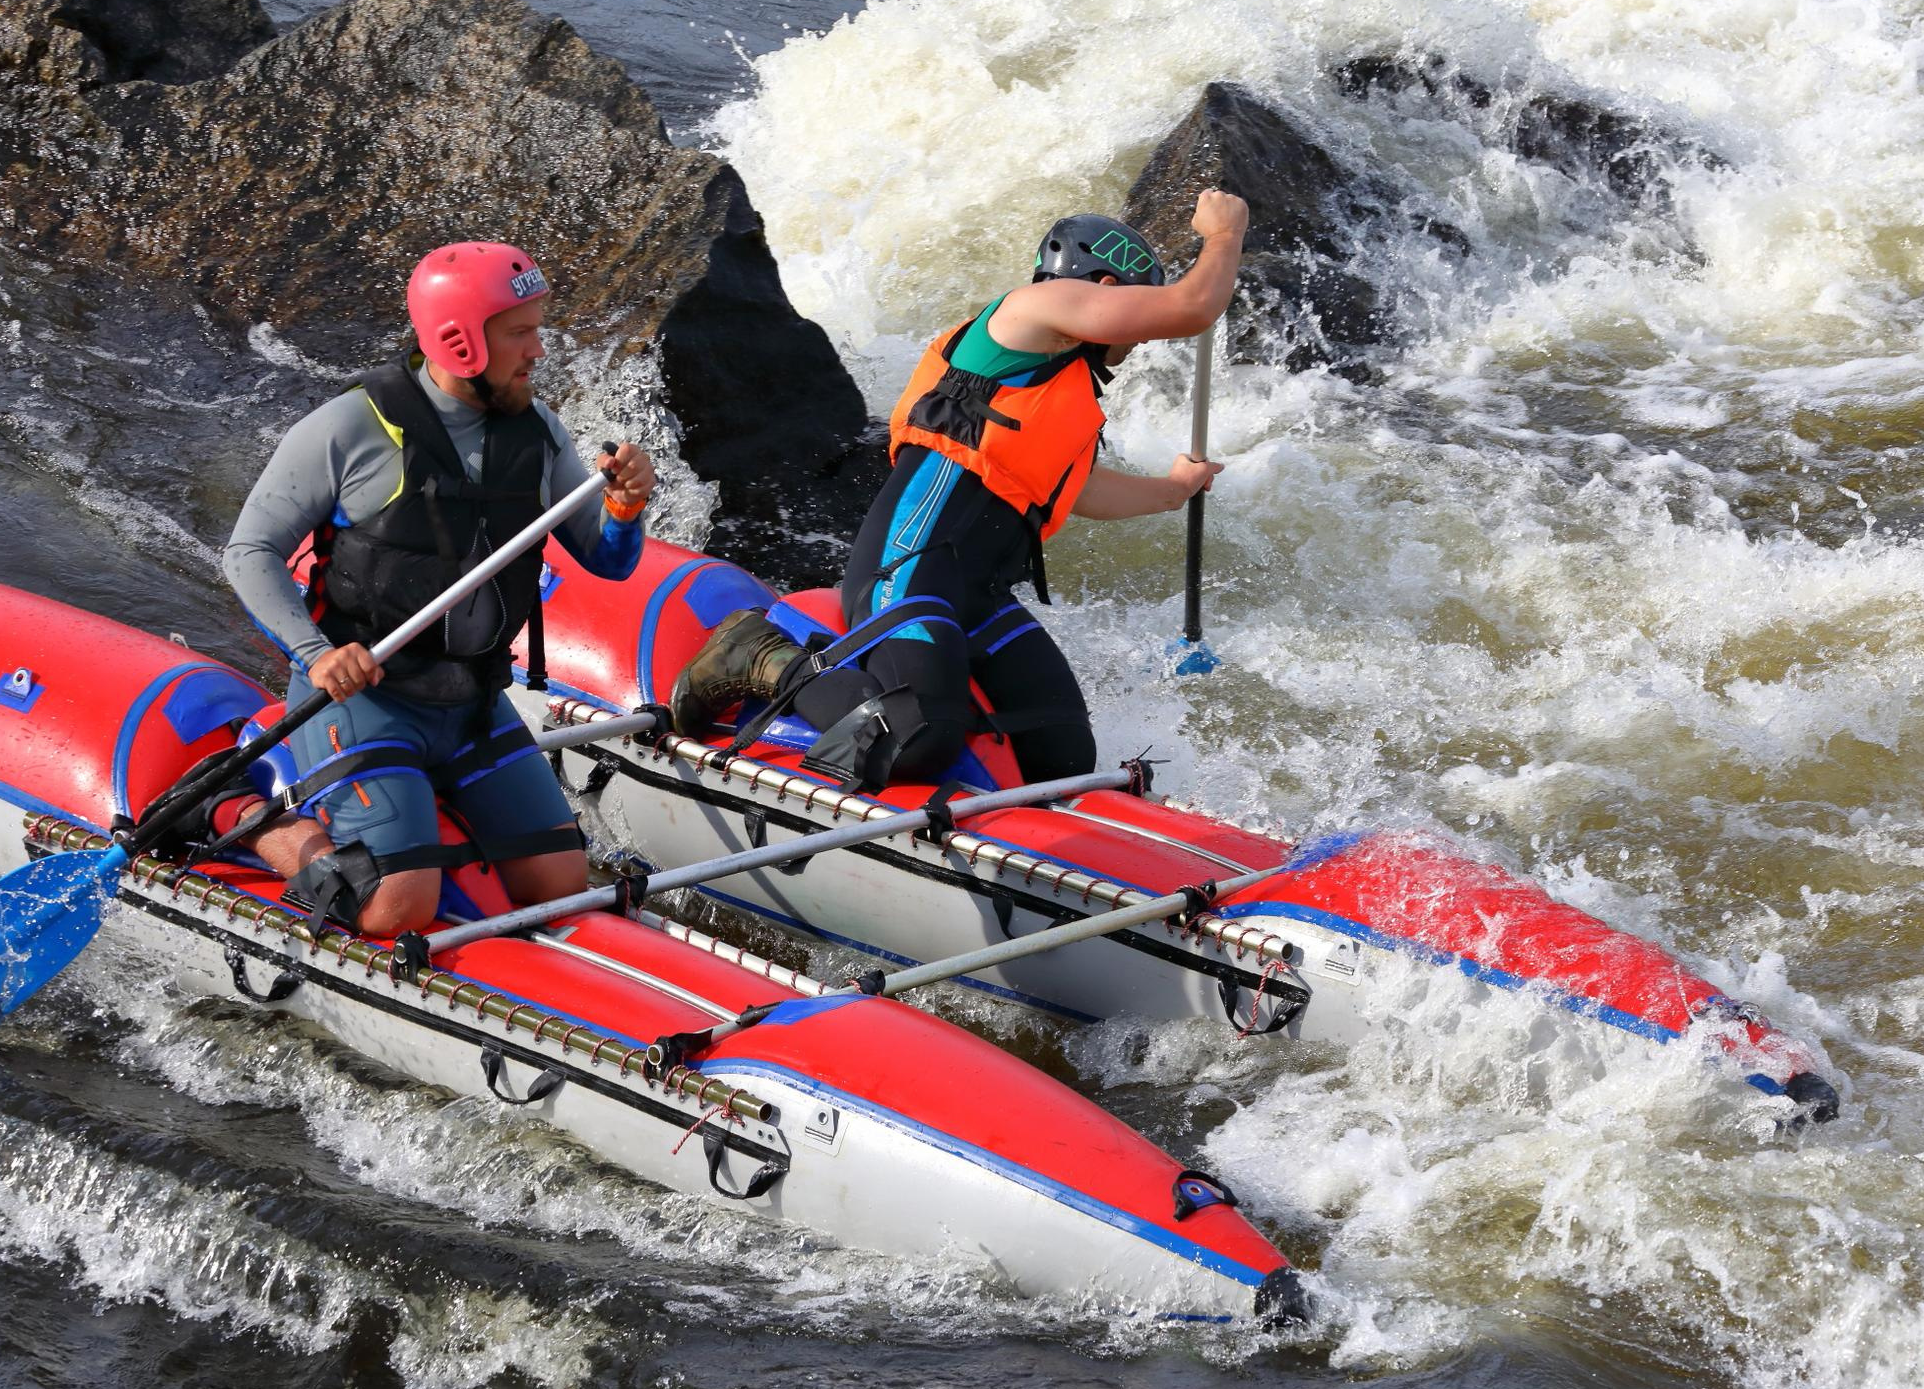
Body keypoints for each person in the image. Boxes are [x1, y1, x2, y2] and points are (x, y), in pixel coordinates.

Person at [669, 189, 1250, 791]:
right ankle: (758, 654)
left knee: (1063, 751)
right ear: (1103, 286)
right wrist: (1224, 234)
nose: (1142, 337)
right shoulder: (1032, 311)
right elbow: (1193, 307)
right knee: (917, 736)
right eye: (1138, 301)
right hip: (907, 571)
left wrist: (1172, 490)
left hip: (978, 594)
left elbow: (1077, 491)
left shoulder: (1051, 379)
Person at [213, 241, 655, 935]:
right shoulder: (350, 427)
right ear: (461, 342)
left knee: (559, 881)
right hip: (364, 701)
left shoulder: (537, 433)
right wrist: (316, 655)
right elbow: (249, 552)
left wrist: (625, 509)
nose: (538, 349)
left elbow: (608, 559)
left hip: (472, 703)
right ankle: (242, 810)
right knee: (394, 907)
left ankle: (420, 809)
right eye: (520, 332)